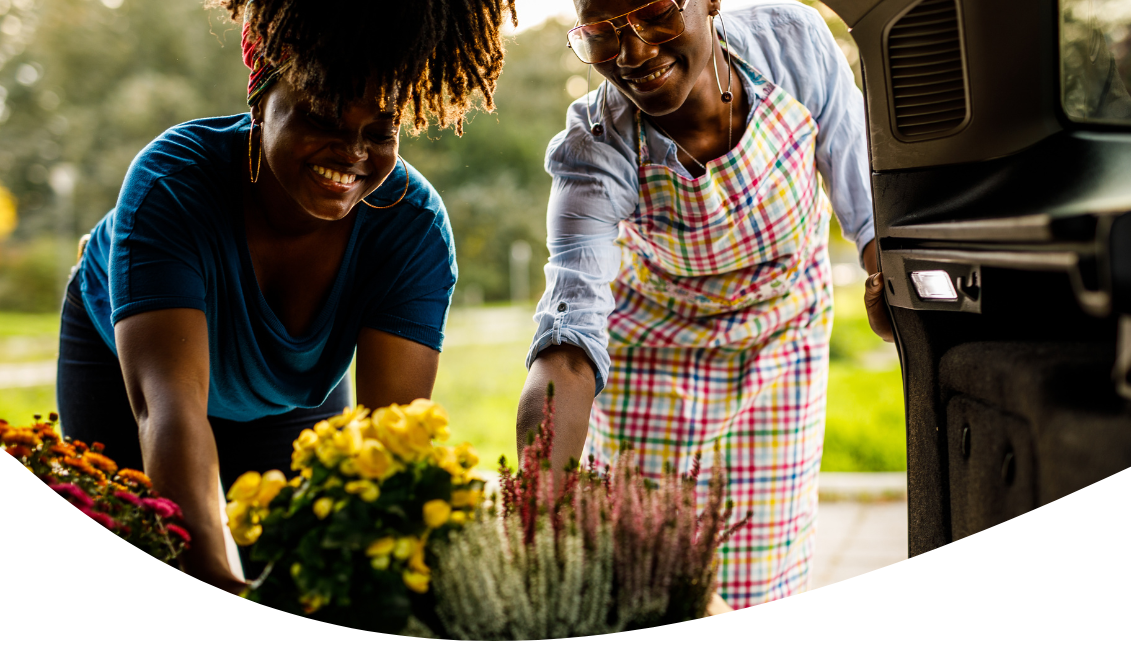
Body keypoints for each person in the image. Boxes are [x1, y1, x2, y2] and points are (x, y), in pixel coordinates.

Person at [56, 0, 514, 592]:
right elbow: (169, 410)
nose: (352, 152)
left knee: (303, 579)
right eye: (323, 117)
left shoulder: (411, 228)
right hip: (129, 371)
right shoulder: (173, 183)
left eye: (380, 132)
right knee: (140, 561)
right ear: (261, 98)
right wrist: (218, 583)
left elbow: (388, 448)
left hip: (290, 397)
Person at [516, 0, 892, 608]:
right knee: (648, 581)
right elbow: (568, 336)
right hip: (654, 348)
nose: (634, 54)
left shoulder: (793, 46)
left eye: (655, 13)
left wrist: (886, 279)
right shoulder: (596, 147)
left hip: (783, 335)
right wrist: (540, 512)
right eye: (602, 34)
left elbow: (867, 200)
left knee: (760, 578)